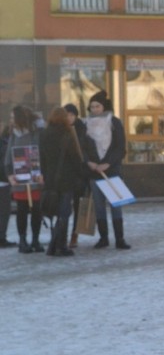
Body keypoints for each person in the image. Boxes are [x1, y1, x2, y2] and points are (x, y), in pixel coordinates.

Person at [81, 90, 131, 249]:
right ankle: (103, 238)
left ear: (104, 107)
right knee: (98, 206)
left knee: (116, 205)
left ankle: (119, 239)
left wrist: (108, 163)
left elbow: (120, 147)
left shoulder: (114, 122)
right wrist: (89, 162)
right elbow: (82, 148)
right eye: (92, 107)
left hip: (112, 171)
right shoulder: (85, 124)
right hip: (94, 172)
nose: (94, 109)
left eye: (97, 106)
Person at [40, 107, 85, 257]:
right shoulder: (67, 134)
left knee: (54, 212)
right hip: (66, 179)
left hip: (51, 180)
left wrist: (45, 176)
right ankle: (60, 245)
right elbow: (75, 158)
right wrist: (81, 175)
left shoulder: (44, 134)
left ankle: (53, 245)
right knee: (64, 212)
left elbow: (42, 159)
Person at [4, 106, 44, 253]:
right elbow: (8, 157)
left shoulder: (37, 132)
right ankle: (23, 240)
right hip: (19, 179)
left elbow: (43, 154)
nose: (11, 121)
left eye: (14, 117)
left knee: (36, 210)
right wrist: (10, 175)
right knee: (22, 210)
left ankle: (35, 239)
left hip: (36, 178)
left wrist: (43, 173)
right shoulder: (14, 134)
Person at [63, 104, 88, 248]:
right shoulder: (60, 130)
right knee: (65, 205)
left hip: (80, 172)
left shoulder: (82, 129)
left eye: (72, 115)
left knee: (78, 205)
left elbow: (86, 148)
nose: (69, 118)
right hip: (66, 173)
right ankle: (62, 234)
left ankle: (75, 235)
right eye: (67, 115)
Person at [0, 123, 13, 247]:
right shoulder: (4, 143)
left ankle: (2, 237)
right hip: (3, 180)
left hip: (4, 181)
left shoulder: (4, 142)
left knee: (4, 211)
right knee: (4, 211)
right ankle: (1, 238)